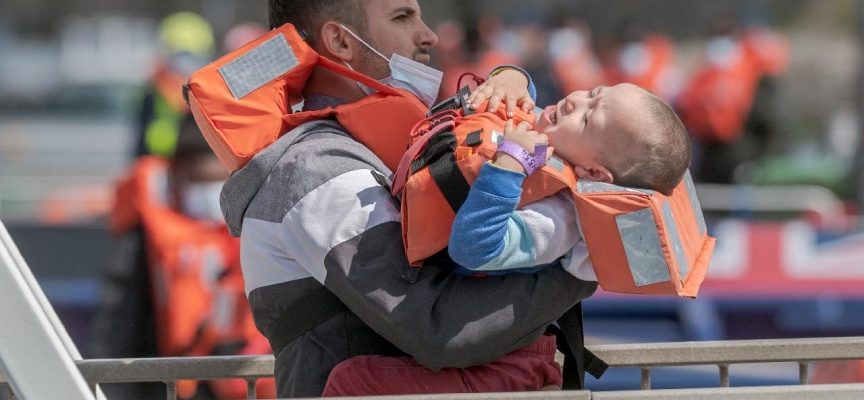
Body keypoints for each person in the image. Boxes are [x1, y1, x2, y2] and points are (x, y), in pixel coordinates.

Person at [220, 0, 599, 397]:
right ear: (340, 41)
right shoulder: (313, 168)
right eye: (402, 17)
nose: (429, 35)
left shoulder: (389, 147)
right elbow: (440, 328)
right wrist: (583, 265)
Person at [320, 82, 692, 396]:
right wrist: (512, 77)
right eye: (593, 92)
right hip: (492, 354)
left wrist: (507, 166)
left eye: (589, 117)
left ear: (594, 171)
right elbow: (519, 99)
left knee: (349, 383)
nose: (576, 101)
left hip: (499, 370)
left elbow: (474, 248)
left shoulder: (557, 221)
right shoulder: (556, 146)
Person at [90, 115, 276, 400]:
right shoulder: (149, 228)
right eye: (198, 179)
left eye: (220, 179)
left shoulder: (268, 219)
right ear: (178, 171)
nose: (209, 192)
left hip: (252, 379)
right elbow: (119, 318)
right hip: (172, 380)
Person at [134, 12, 214, 158]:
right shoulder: (155, 88)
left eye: (192, 56)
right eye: (181, 55)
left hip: (193, 163)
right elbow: (141, 136)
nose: (185, 64)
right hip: (160, 160)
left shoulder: (210, 90)